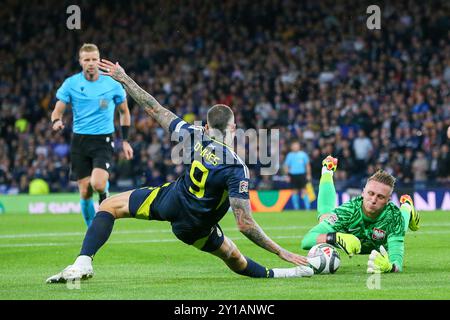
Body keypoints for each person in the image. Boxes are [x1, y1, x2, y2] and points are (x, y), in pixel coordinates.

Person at [46, 59, 313, 283]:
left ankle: (83, 262)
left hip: (172, 201)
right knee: (234, 257)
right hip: (195, 227)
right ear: (234, 128)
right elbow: (244, 224)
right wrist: (280, 251)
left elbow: (154, 108)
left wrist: (125, 80)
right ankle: (285, 271)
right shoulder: (236, 168)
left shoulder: (195, 136)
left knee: (107, 206)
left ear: (207, 127)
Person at [51, 44, 134, 227]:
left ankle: (104, 198)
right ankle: (91, 228)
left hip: (103, 139)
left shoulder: (112, 84)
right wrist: (56, 121)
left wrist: (125, 141)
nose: (91, 63)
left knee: (97, 184)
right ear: (80, 61)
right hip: (79, 141)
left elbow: (124, 112)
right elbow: (58, 110)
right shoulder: (71, 84)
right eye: (86, 59)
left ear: (99, 60)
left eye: (94, 59)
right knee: (85, 191)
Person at [300, 156, 420, 273]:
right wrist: (335, 237)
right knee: (324, 220)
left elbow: (397, 262)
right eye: (370, 193)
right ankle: (327, 170)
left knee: (402, 226)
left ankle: (406, 207)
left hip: (382, 242)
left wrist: (390, 267)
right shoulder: (348, 212)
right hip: (347, 232)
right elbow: (306, 241)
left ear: (388, 201)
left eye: (380, 197)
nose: (373, 200)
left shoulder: (393, 217)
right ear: (363, 193)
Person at [283, 141, 312, 210]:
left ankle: (308, 208)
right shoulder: (289, 155)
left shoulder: (303, 154)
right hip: (293, 175)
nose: (295, 147)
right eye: (294, 145)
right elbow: (286, 166)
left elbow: (307, 165)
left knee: (304, 190)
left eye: (296, 145)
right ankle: (296, 209)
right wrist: (287, 175)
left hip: (302, 174)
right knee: (294, 191)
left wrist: (308, 174)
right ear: (291, 147)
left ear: (299, 146)